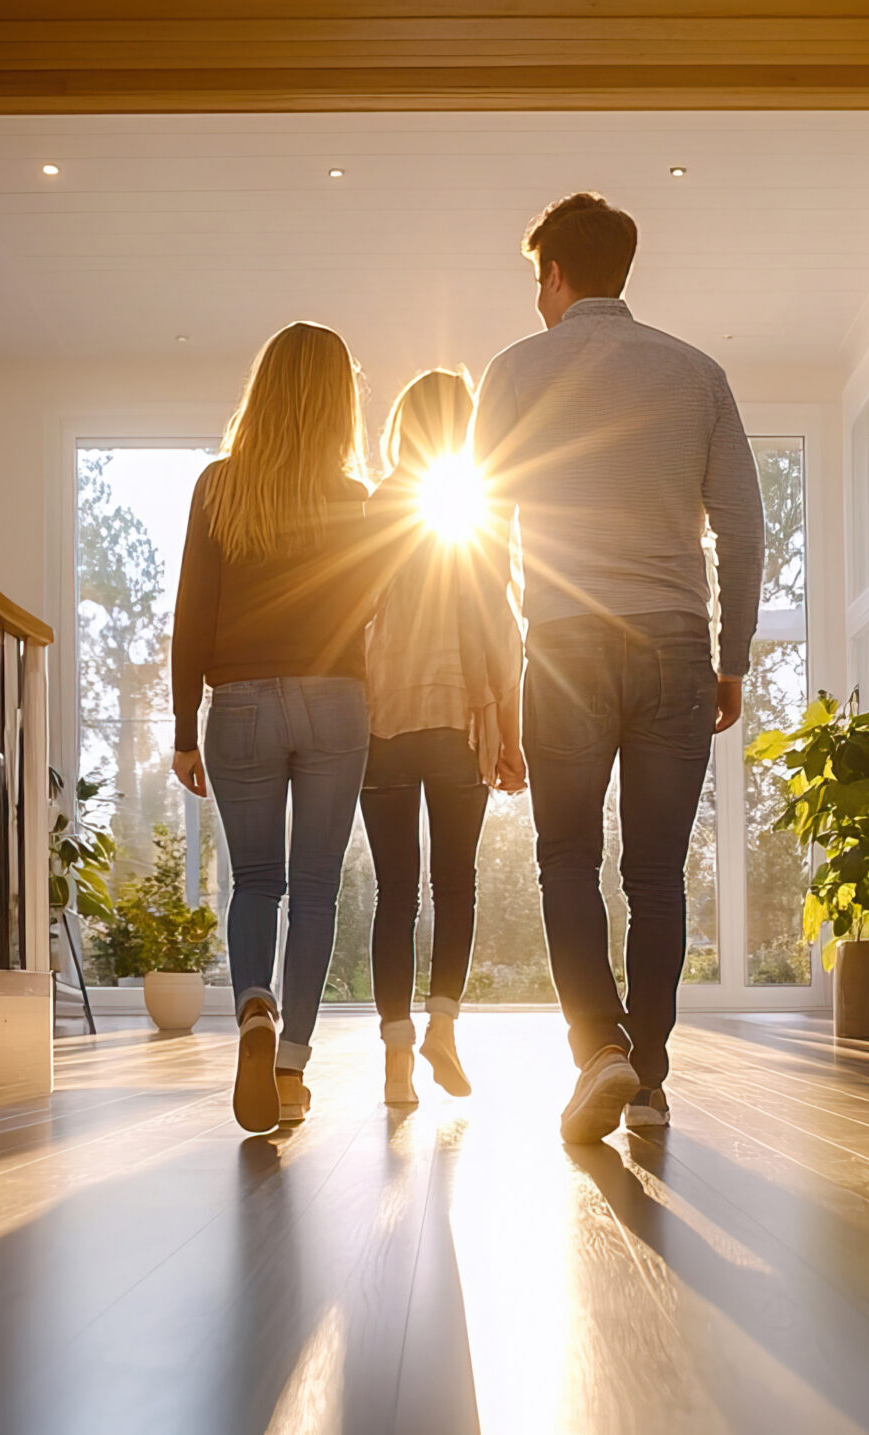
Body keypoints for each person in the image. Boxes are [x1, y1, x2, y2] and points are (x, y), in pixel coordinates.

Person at [472, 193, 762, 1143]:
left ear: (554, 273)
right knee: (657, 873)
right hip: (676, 643)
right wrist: (733, 656)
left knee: (566, 857)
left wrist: (497, 677)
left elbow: (481, 538)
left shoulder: (515, 371)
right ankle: (648, 1078)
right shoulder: (696, 373)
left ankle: (600, 1046)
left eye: (536, 280)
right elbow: (742, 527)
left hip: (561, 645)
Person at [171, 321, 392, 1135]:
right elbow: (369, 614)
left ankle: (253, 1010)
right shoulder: (357, 500)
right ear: (341, 401)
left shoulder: (218, 486)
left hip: (240, 706)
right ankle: (292, 1067)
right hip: (336, 699)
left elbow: (192, 612)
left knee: (255, 881)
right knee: (318, 889)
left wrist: (183, 723)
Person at [360, 368, 525, 1107]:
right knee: (454, 884)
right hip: (461, 721)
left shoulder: (372, 509)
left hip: (382, 725)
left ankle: (396, 1059)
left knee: (395, 891)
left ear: (403, 429)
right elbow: (503, 633)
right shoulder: (479, 510)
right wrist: (512, 734)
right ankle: (443, 1028)